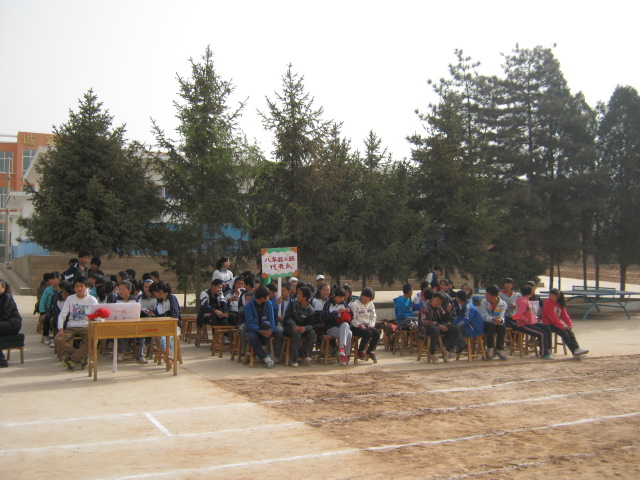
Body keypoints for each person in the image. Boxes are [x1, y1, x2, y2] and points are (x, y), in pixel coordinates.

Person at [54, 276, 98, 371]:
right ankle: (81, 357)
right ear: (74, 288)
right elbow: (62, 314)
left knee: (94, 339)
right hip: (71, 327)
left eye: (81, 286)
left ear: (86, 287)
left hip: (86, 326)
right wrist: (60, 328)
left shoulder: (92, 300)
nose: (79, 288)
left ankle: (71, 359)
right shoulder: (70, 299)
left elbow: (97, 315)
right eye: (77, 286)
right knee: (58, 340)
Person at [541, 288, 589, 358]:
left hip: (557, 324)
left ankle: (577, 350)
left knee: (570, 333)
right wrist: (561, 326)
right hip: (548, 324)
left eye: (552, 295)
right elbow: (552, 318)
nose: (550, 297)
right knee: (564, 333)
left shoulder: (559, 304)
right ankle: (575, 351)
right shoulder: (547, 304)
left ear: (557, 296)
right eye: (549, 295)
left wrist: (569, 325)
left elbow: (565, 315)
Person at [416, 291, 460, 362]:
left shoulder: (439, 308)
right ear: (432, 298)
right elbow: (424, 321)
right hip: (426, 328)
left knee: (455, 329)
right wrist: (438, 325)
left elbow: (444, 319)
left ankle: (447, 350)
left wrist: (448, 311)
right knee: (435, 329)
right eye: (436, 300)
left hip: (439, 326)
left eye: (440, 302)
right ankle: (432, 352)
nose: (437, 303)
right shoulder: (425, 307)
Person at [513, 284, 553, 359]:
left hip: (531, 322)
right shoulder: (523, 302)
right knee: (542, 333)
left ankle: (548, 348)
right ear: (531, 293)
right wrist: (527, 320)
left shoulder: (526, 300)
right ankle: (544, 353)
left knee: (547, 328)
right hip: (523, 325)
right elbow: (518, 315)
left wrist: (535, 319)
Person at [284, 286, 316, 367]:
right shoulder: (293, 304)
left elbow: (311, 324)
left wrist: (305, 328)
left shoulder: (310, 310)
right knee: (296, 333)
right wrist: (294, 325)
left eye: (299, 294)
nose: (297, 295)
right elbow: (287, 317)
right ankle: (293, 357)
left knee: (312, 333)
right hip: (290, 328)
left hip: (302, 328)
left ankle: (303, 352)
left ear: (304, 298)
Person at [152, 281, 182, 369]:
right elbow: (157, 315)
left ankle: (168, 358)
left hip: (174, 326)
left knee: (169, 337)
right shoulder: (159, 302)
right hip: (163, 327)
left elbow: (175, 315)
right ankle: (169, 357)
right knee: (163, 337)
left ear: (160, 291)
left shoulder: (172, 298)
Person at [244, 286, 275, 368]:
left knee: (267, 324)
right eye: (267, 296)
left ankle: (262, 348)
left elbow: (271, 319)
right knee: (251, 336)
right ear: (262, 298)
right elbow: (250, 322)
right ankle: (265, 357)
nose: (268, 298)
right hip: (254, 328)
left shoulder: (269, 303)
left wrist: (270, 330)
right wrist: (259, 330)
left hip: (265, 327)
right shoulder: (249, 306)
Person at [322, 287, 353, 365]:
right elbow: (324, 317)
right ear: (334, 295)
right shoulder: (328, 303)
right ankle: (343, 352)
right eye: (339, 297)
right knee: (348, 333)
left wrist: (349, 311)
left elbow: (351, 316)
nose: (340, 299)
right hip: (330, 328)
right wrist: (336, 313)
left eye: (342, 298)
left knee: (348, 331)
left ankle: (343, 353)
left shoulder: (343, 303)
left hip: (341, 328)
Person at [350, 287, 380, 363]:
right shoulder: (354, 304)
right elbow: (352, 320)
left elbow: (373, 317)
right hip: (356, 327)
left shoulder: (371, 304)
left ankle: (370, 350)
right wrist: (359, 325)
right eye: (364, 296)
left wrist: (371, 324)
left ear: (371, 298)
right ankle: (360, 350)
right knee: (368, 333)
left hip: (367, 325)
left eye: (367, 297)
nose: (365, 299)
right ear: (361, 295)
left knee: (376, 333)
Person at [479, 285, 508, 360]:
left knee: (502, 327)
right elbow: (484, 315)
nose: (485, 295)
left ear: (493, 296)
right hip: (487, 323)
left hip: (497, 323)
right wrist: (492, 319)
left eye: (487, 294)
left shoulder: (503, 304)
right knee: (491, 327)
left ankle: (499, 349)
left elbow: (502, 316)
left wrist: (500, 320)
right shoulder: (484, 302)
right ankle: (490, 348)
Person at [452, 290, 484, 354]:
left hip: (474, 328)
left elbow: (466, 319)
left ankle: (462, 345)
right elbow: (460, 318)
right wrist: (453, 323)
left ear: (458, 298)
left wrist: (455, 325)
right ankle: (459, 345)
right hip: (469, 326)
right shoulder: (464, 305)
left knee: (454, 330)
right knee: (452, 328)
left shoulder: (468, 307)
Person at [0, 280, 22, 368]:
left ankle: (2, 361)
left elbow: (5, 315)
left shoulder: (6, 297)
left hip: (12, 324)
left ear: (3, 288)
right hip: (3, 323)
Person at [39, 271, 62, 345]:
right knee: (47, 317)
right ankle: (46, 336)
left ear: (59, 279)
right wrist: (42, 312)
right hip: (50, 310)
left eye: (53, 279)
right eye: (50, 279)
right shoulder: (48, 290)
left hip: (60, 310)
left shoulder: (62, 289)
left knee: (57, 319)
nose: (51, 281)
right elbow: (43, 301)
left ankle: (55, 338)